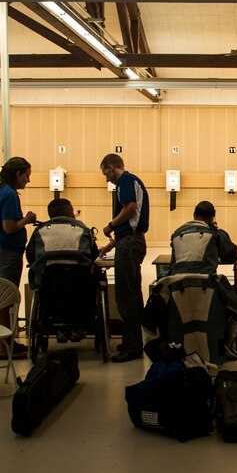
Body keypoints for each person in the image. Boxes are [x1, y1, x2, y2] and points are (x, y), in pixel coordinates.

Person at [165, 200, 237, 361]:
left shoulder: (176, 233)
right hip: (206, 290)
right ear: (212, 217)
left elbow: (173, 264)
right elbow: (232, 256)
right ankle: (223, 346)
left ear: (194, 214)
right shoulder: (214, 233)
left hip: (178, 290)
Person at [24, 198, 99, 343]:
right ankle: (79, 327)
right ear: (68, 212)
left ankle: (60, 329)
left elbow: (31, 257)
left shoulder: (40, 231)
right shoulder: (83, 229)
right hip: (81, 290)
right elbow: (93, 256)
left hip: (49, 290)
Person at [99, 154, 149, 363]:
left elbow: (130, 209)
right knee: (133, 294)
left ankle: (133, 346)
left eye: (106, 174)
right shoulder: (133, 181)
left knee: (125, 296)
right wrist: (111, 244)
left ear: (112, 167)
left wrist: (110, 225)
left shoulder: (126, 181)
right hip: (130, 241)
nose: (107, 179)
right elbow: (129, 226)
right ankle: (134, 340)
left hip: (129, 244)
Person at [0, 156, 35, 359]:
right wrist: (27, 220)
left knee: (4, 296)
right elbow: (9, 227)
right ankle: (2, 347)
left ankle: (7, 342)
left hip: (1, 250)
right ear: (18, 174)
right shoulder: (9, 195)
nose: (28, 180)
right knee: (4, 298)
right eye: (26, 176)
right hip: (7, 251)